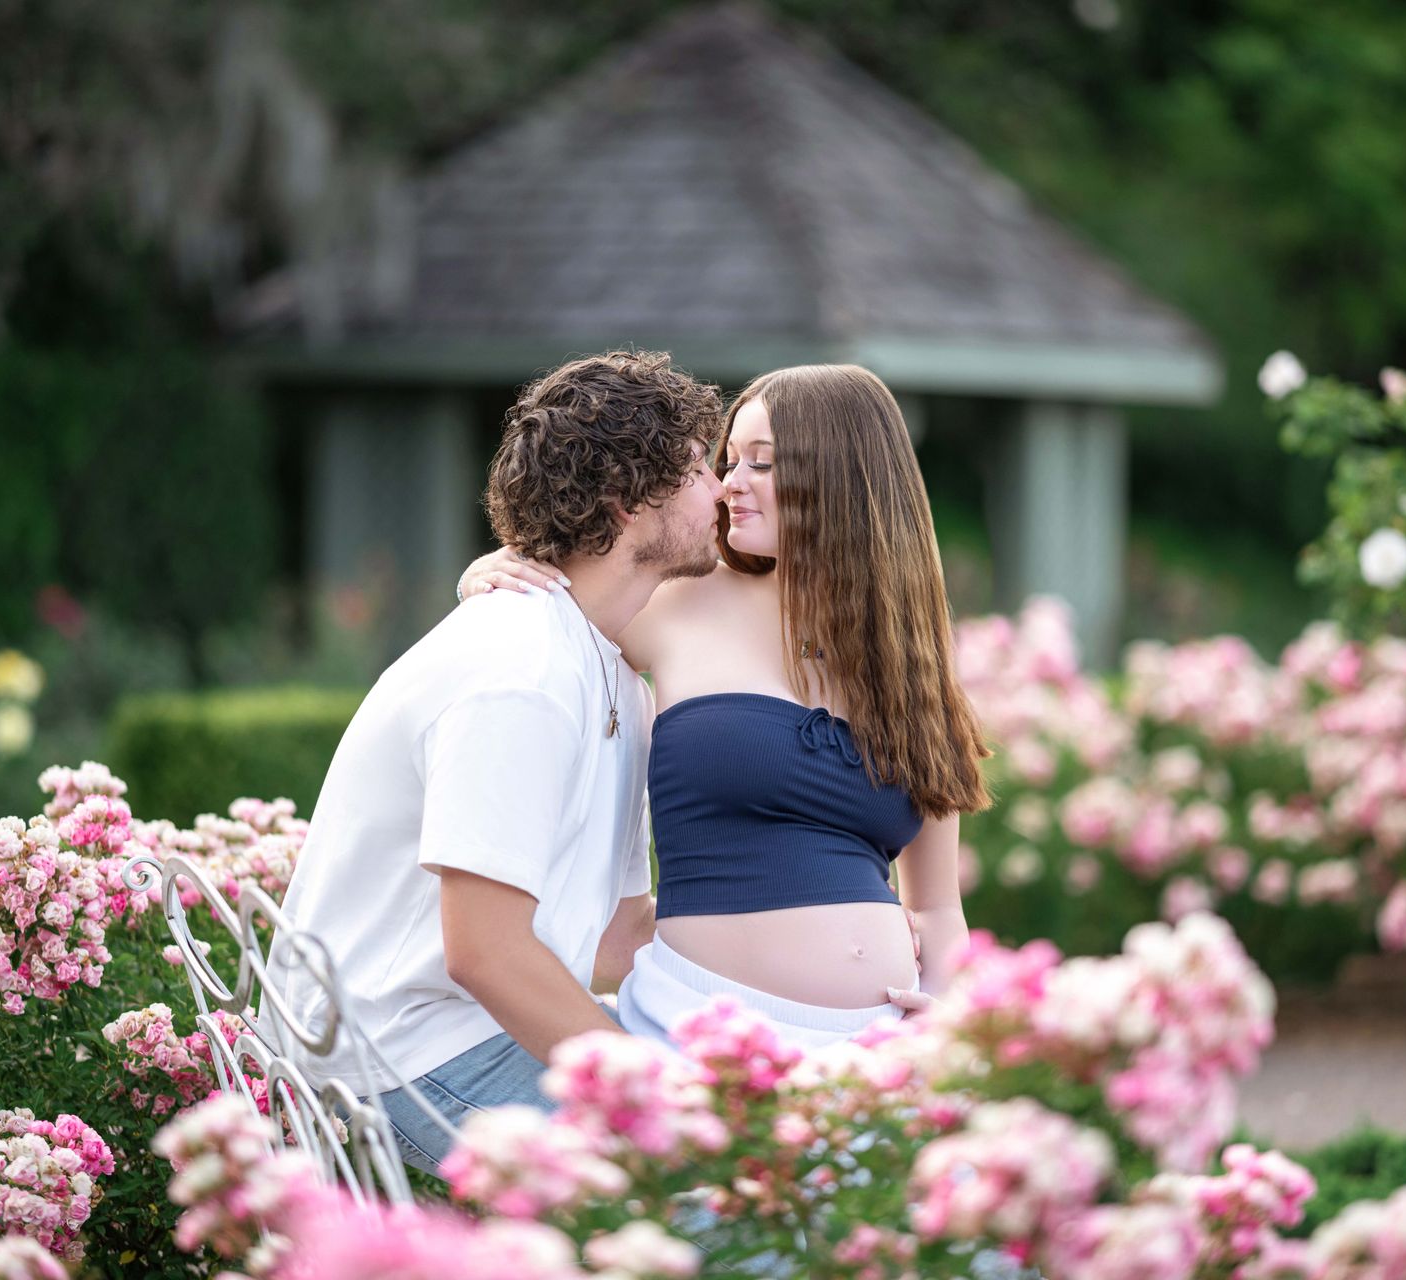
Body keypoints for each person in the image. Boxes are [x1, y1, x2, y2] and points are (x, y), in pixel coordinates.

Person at [264, 350, 727, 1173]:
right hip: (399, 1062)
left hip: (466, 1033)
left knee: (753, 1150)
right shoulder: (521, 672)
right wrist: (647, 1091)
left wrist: (809, 945)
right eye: (699, 468)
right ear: (627, 501)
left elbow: (615, 940)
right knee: (711, 1200)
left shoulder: (611, 672)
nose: (722, 490)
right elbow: (481, 951)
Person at [459, 364, 990, 1051]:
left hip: (874, 1049)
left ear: (843, 475)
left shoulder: (910, 657)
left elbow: (939, 908)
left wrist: (946, 1017)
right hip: (699, 1024)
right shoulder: (675, 603)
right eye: (729, 460)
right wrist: (486, 571)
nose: (729, 484)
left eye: (760, 464)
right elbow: (558, 606)